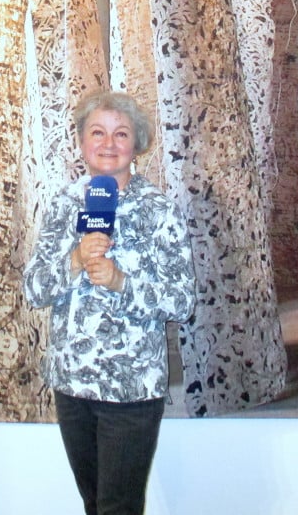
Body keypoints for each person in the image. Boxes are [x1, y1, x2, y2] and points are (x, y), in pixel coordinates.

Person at [23, 91, 195, 515]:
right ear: (82, 141)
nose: (108, 143)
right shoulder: (65, 203)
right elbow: (34, 289)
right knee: (94, 505)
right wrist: (75, 260)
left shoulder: (159, 210)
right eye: (97, 132)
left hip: (130, 389)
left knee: (118, 508)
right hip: (71, 383)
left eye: (121, 134)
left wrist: (122, 282)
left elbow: (181, 302)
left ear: (137, 144)